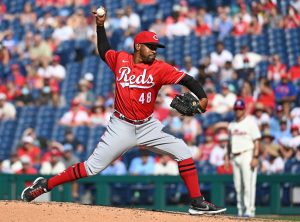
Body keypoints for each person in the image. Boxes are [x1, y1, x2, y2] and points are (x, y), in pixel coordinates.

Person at [21, 8, 226, 215]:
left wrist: (203, 98)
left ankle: (197, 202)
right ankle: (46, 185)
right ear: (138, 46)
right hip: (121, 126)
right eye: (151, 46)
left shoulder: (159, 67)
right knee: (92, 168)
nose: (154, 50)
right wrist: (100, 25)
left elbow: (187, 79)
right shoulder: (121, 60)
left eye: (156, 47)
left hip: (148, 126)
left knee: (183, 151)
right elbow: (103, 50)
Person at [227, 99, 261, 217]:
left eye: (240, 109)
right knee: (238, 186)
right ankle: (240, 210)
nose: (238, 111)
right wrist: (227, 157)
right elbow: (229, 143)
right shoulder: (231, 125)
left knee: (248, 184)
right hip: (235, 156)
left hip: (247, 154)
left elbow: (257, 140)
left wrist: (255, 157)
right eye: (236, 109)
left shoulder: (250, 122)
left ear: (244, 110)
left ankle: (249, 210)